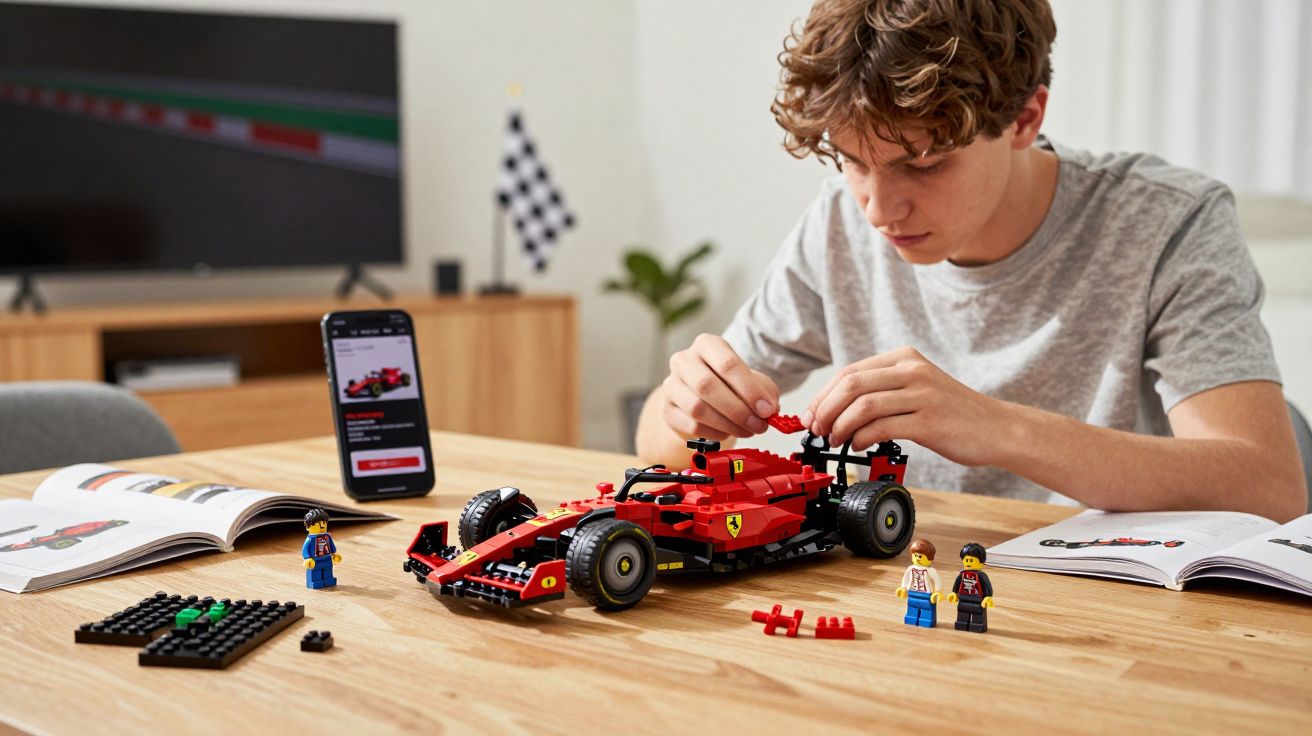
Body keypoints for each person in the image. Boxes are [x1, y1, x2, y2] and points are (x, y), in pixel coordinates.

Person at [635, 0, 1306, 522]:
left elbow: (1268, 488)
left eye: (921, 165)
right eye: (853, 163)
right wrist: (688, 404)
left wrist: (994, 426)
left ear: (1023, 119)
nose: (878, 209)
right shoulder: (838, 224)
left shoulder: (1166, 222)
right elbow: (654, 448)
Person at [948, 542, 995, 633]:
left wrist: (988, 597)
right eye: (966, 560)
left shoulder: (981, 575)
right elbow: (957, 584)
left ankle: (978, 625)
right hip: (963, 598)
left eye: (971, 560)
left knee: (978, 613)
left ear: (981, 562)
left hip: (977, 599)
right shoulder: (962, 574)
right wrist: (954, 593)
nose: (968, 563)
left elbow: (987, 586)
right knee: (962, 611)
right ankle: (962, 623)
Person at [896, 538, 942, 627]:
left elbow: (937, 581)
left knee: (927, 609)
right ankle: (911, 618)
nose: (917, 558)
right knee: (912, 606)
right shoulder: (910, 569)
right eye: (915, 555)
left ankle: (927, 620)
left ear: (929, 558)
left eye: (920, 556)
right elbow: (906, 579)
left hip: (927, 594)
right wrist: (903, 588)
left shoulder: (930, 571)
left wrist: (937, 591)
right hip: (912, 592)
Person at [302, 508, 341, 589]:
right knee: (316, 572)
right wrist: (308, 558)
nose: (322, 526)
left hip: (327, 558)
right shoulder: (310, 539)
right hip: (315, 560)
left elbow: (331, 546)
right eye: (318, 523)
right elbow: (305, 549)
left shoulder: (327, 537)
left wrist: (334, 554)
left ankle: (328, 580)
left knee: (328, 571)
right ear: (308, 527)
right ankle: (316, 582)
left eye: (324, 523)